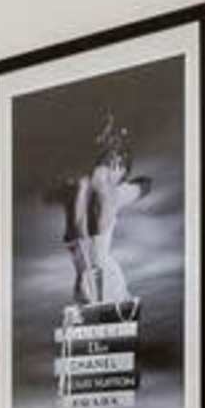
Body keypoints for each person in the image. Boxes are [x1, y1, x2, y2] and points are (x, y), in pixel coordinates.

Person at [63, 120, 152, 311]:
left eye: (117, 165)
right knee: (84, 190)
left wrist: (112, 149)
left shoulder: (114, 192)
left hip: (104, 281)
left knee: (100, 193)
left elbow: (144, 184)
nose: (113, 168)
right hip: (88, 279)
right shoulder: (87, 189)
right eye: (112, 164)